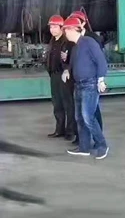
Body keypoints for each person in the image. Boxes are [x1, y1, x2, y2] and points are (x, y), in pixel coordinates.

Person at [62, 15, 109, 160]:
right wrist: (67, 71)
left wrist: (101, 80)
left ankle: (102, 145)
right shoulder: (76, 46)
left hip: (90, 84)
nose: (65, 33)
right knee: (80, 118)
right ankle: (84, 147)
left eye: (66, 30)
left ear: (72, 29)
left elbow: (101, 61)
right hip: (79, 85)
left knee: (88, 116)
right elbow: (73, 63)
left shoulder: (88, 42)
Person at [46, 15, 76, 142]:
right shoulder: (52, 41)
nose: (52, 30)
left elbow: (71, 59)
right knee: (57, 103)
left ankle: (70, 131)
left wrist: (67, 70)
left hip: (64, 75)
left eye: (55, 27)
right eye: (51, 27)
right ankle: (59, 129)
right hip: (54, 75)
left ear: (61, 28)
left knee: (67, 103)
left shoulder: (67, 42)